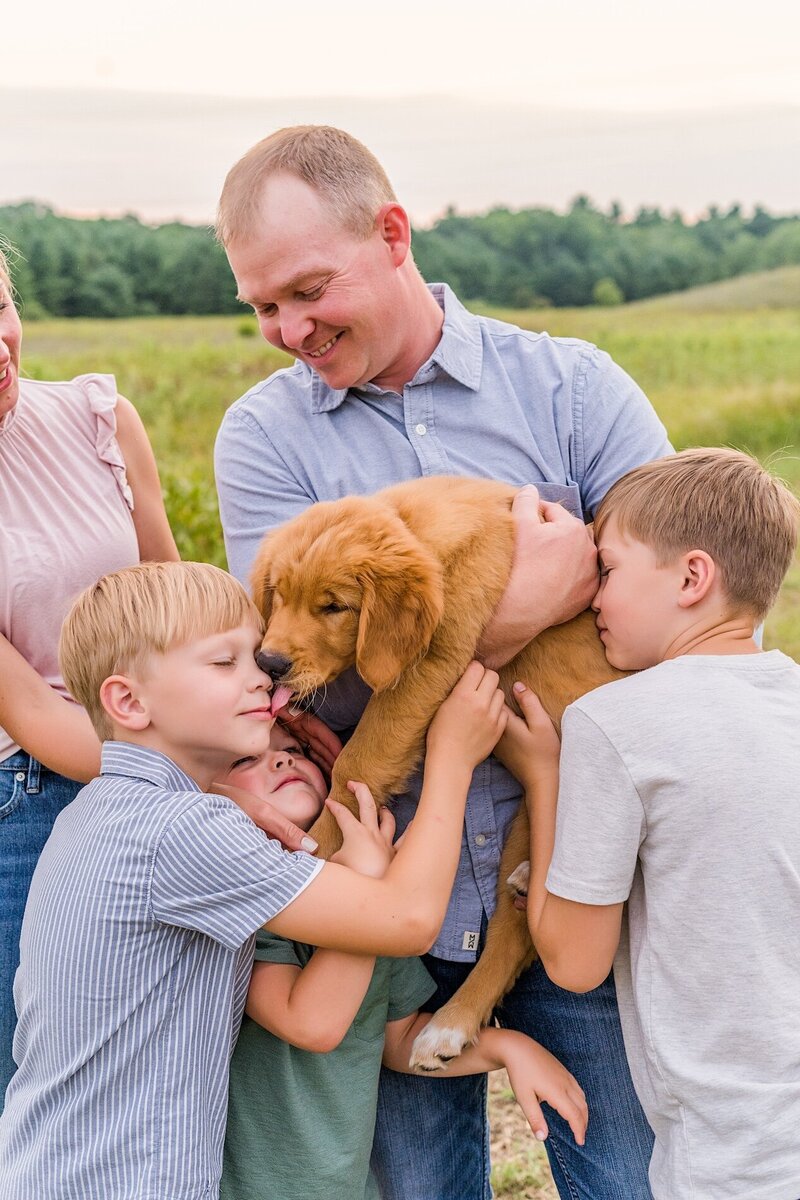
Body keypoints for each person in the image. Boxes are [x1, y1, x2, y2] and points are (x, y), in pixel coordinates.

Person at [213, 124, 672, 1200]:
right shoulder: (263, 439)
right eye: (261, 307)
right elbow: (299, 682)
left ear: (390, 233)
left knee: (631, 1178)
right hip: (385, 902)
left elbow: (681, 623)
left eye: (306, 289)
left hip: (583, 879)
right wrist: (516, 611)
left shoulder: (570, 389)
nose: (287, 329)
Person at [0, 560, 508, 1199]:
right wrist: (453, 761)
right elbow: (405, 919)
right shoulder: (183, 832)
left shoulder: (104, 814)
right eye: (224, 663)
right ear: (128, 701)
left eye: (255, 656)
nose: (262, 675)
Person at [499, 449, 800, 1200]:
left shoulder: (614, 723)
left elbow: (574, 962)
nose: (590, 598)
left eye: (607, 570)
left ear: (691, 578)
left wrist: (543, 775)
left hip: (729, 1148)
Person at [220, 723, 588, 1200]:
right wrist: (374, 891)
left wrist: (508, 1047)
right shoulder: (249, 902)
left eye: (293, 750)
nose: (282, 759)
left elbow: (402, 1041)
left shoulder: (378, 907)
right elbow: (309, 1022)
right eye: (245, 760)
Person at [0, 244, 179, 1101]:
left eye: (0, 309)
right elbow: (36, 716)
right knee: (34, 1089)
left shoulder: (95, 419)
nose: (0, 346)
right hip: (24, 806)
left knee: (157, 1067)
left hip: (155, 766)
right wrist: (205, 774)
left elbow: (173, 604)